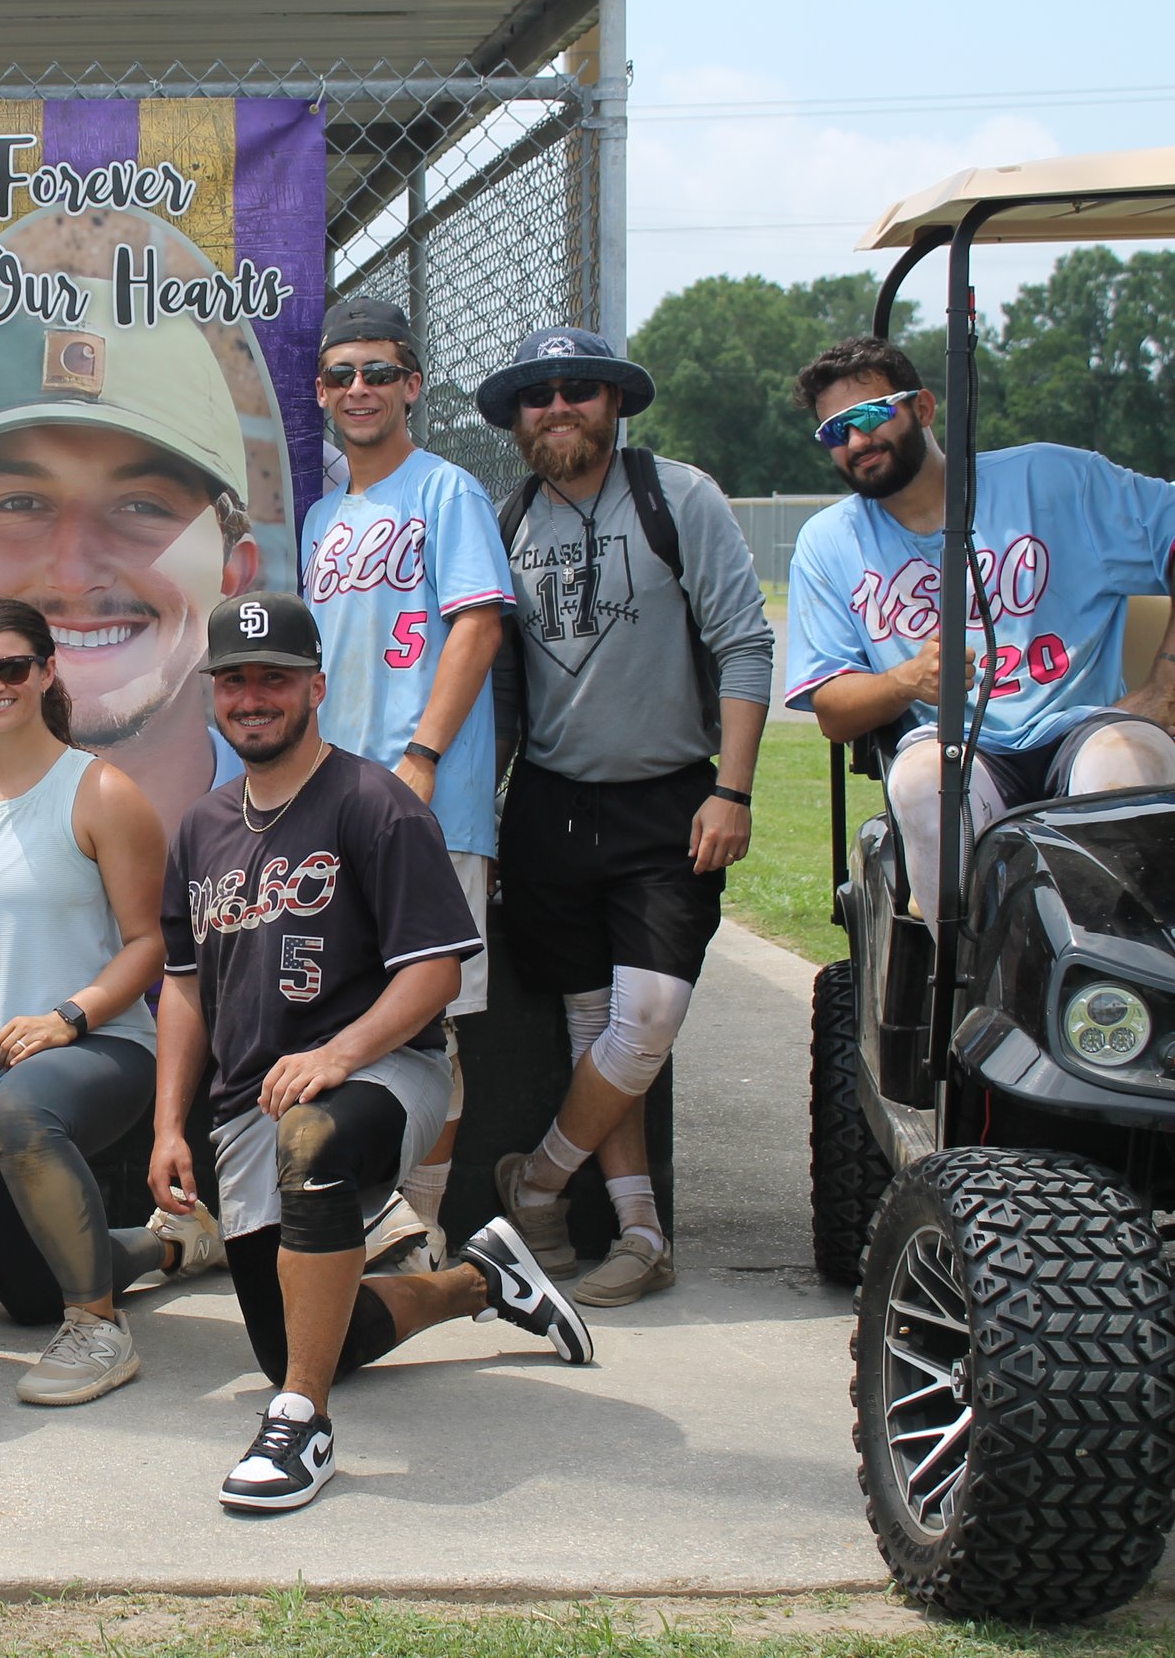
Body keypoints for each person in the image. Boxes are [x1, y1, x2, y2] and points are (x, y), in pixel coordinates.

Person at [152, 592, 592, 1513]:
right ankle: (482, 1279)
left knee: (312, 1139)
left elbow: (434, 976)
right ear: (215, 696)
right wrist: (166, 1126)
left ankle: (300, 1425)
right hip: (250, 1105)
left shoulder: (373, 804)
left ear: (315, 686)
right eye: (235, 680)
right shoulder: (200, 827)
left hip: (386, 1072)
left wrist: (341, 1052)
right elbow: (185, 987)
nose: (253, 697)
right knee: (306, 1333)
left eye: (274, 679)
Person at [477, 327, 774, 1309]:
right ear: (515, 419)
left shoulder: (675, 496)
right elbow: (509, 692)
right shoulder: (508, 518)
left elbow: (742, 644)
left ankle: (537, 1180)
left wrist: (729, 790)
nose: (557, 408)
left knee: (645, 1022)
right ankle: (640, 1230)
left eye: (578, 391)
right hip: (551, 808)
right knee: (590, 1025)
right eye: (537, 396)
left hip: (668, 801)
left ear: (613, 403)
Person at [0, 596, 194, 1407]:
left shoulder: (101, 792)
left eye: (12, 666)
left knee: (23, 1111)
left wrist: (64, 1017)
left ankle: (101, 1329)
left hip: (98, 1049)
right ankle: (170, 1249)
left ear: (45, 671)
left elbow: (150, 944)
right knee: (28, 1296)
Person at [785, 336, 1175, 919]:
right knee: (922, 784)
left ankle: (1118, 986)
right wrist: (906, 681)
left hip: (1081, 724)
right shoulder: (827, 542)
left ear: (922, 408)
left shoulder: (1051, 479)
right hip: (956, 746)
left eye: (869, 415)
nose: (857, 442)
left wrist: (1166, 687)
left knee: (1129, 757)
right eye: (834, 433)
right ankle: (971, 994)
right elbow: (834, 713)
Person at [300, 297, 511, 1259]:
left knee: (435, 1020)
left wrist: (420, 756)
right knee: (355, 1008)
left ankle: (424, 1225)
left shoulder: (447, 492)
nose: (359, 389)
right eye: (342, 374)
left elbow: (477, 625)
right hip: (338, 801)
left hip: (428, 801)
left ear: (413, 385)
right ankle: (374, 1214)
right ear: (320, 392)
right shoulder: (321, 514)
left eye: (379, 372)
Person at [0, 288, 260, 841]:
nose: (75, 574)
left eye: (142, 506)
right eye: (20, 504)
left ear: (231, 573)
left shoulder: (307, 830)